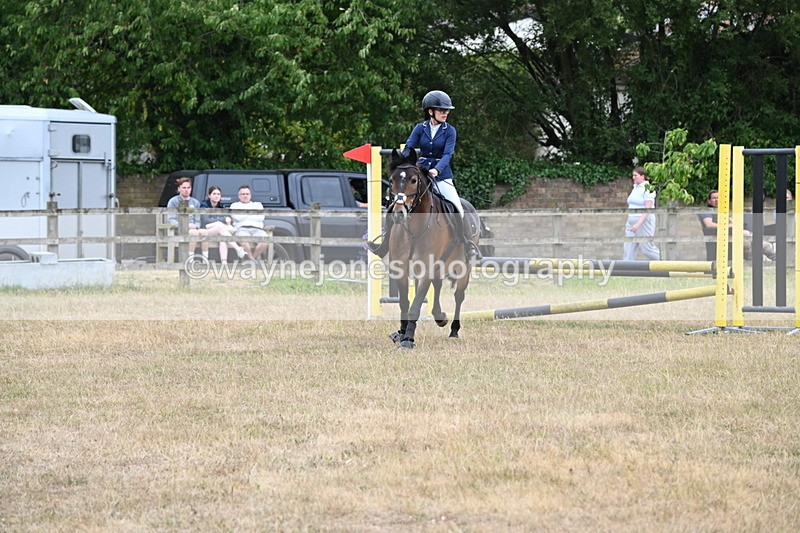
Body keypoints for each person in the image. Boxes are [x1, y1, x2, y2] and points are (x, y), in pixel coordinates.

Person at [366, 90, 481, 260]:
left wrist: (437, 170)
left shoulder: (450, 131)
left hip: (441, 176)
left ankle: (467, 244)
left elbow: (448, 154)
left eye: (447, 110)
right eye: (442, 110)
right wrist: (403, 162)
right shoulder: (420, 128)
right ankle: (385, 243)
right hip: (421, 173)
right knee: (395, 205)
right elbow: (409, 147)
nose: (445, 113)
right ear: (430, 111)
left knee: (457, 208)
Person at [623, 166, 660, 261]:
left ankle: (664, 263)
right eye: (633, 175)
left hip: (643, 221)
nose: (633, 177)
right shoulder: (635, 188)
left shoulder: (648, 188)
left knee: (647, 248)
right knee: (628, 247)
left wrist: (638, 223)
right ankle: (627, 268)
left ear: (643, 176)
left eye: (635, 175)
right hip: (631, 220)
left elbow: (648, 209)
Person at [199, 185, 246, 262]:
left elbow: (228, 219)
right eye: (214, 194)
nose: (216, 196)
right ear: (209, 195)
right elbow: (206, 220)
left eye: (218, 194)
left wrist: (221, 220)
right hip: (206, 231)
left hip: (220, 232)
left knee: (223, 238)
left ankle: (224, 262)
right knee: (219, 226)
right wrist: (222, 219)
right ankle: (238, 248)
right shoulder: (204, 205)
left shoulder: (222, 206)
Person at [167, 177, 208, 258]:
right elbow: (171, 220)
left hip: (194, 228)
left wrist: (196, 226)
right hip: (178, 229)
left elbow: (197, 219)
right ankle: (189, 258)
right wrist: (186, 225)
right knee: (194, 233)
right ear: (179, 189)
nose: (186, 190)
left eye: (188, 188)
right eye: (184, 188)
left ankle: (205, 258)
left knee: (204, 232)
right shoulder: (173, 201)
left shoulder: (195, 202)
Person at [230, 185, 269, 261]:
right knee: (244, 241)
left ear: (250, 195)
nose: (245, 196)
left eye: (247, 194)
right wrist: (252, 213)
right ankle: (253, 260)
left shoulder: (258, 205)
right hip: (242, 229)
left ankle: (251, 260)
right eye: (243, 194)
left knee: (266, 240)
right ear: (239, 196)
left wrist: (244, 214)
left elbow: (261, 217)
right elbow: (237, 217)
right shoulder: (234, 205)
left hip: (257, 229)